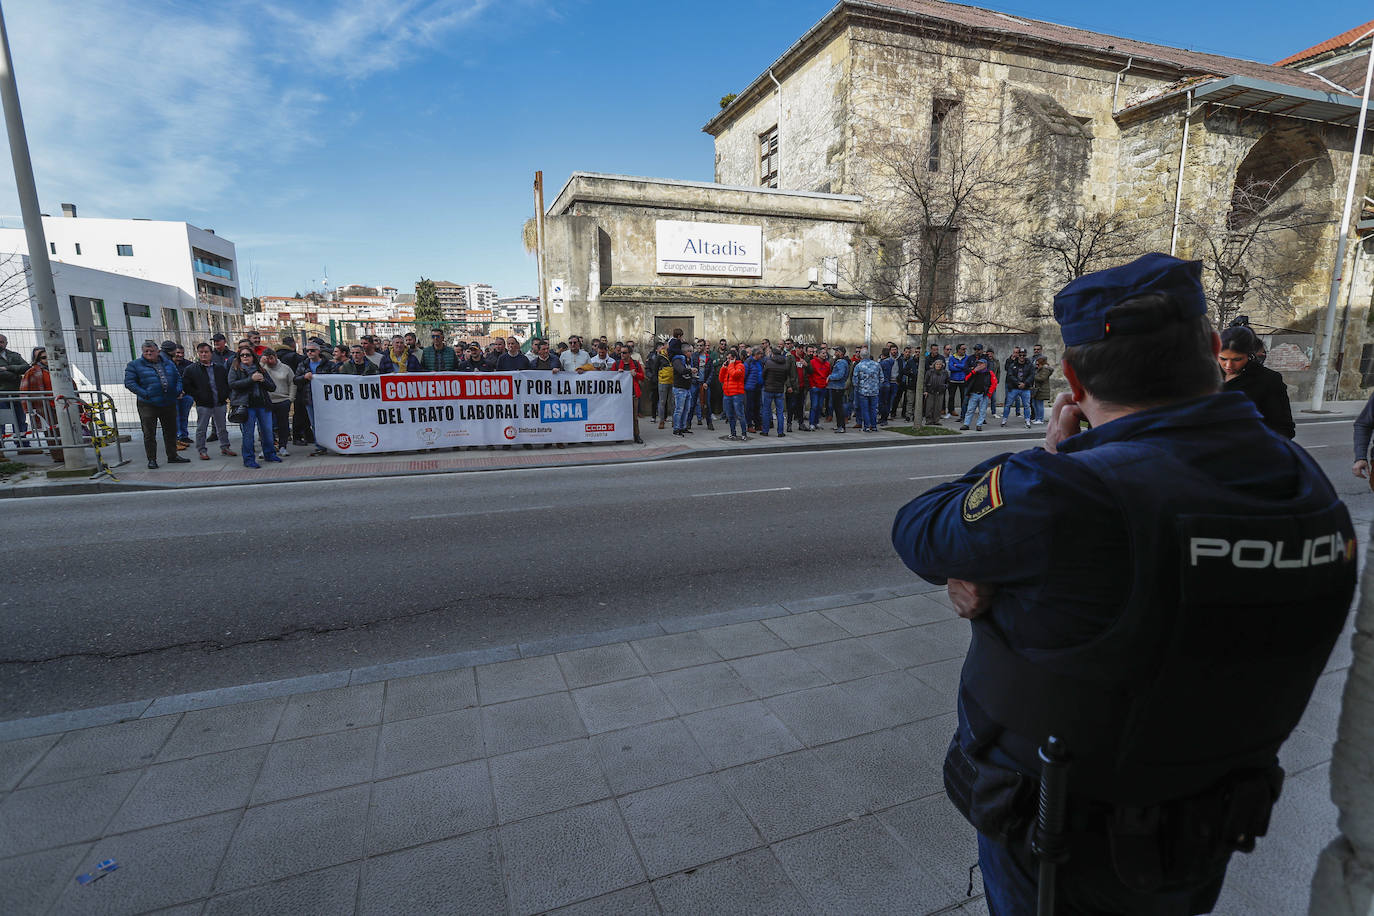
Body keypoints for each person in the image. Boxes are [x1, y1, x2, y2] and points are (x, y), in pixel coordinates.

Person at [892, 252, 1356, 916]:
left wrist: (1050, 457)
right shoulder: (1304, 485)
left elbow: (918, 529)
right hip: (1203, 826)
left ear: (1073, 381)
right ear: (1214, 350)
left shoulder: (1066, 493)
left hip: (1061, 840)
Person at [1219, 325, 1295, 439]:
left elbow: (1283, 428)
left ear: (1250, 355)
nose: (1228, 365)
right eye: (1223, 359)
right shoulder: (1205, 376)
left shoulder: (1268, 380)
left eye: (1237, 359)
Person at [124, 339, 190, 469]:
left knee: (171, 431)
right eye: (146, 351)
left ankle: (172, 456)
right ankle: (152, 459)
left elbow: (178, 378)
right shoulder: (134, 365)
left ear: (158, 351)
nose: (149, 353)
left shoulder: (168, 363)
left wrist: (176, 391)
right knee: (149, 433)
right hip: (147, 404)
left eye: (151, 351)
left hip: (169, 402)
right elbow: (130, 383)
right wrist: (146, 393)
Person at [181, 342, 235, 460]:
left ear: (211, 353)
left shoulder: (220, 368)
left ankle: (225, 447)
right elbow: (186, 385)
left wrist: (224, 395)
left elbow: (227, 383)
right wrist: (198, 395)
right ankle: (202, 450)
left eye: (206, 352)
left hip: (219, 402)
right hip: (203, 404)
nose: (204, 354)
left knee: (222, 428)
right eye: (201, 352)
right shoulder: (191, 369)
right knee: (202, 428)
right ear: (198, 354)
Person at [227, 348, 280, 468]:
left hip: (262, 404)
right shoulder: (235, 369)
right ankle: (249, 459)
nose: (245, 357)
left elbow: (272, 387)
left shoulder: (260, 369)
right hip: (246, 406)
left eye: (248, 355)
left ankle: (270, 454)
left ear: (253, 356)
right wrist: (251, 380)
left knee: (267, 432)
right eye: (242, 355)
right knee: (248, 434)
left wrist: (262, 380)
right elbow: (233, 385)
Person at [18, 347, 61, 462]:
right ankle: (58, 456)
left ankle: (70, 452)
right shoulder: (32, 372)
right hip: (45, 407)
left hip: (62, 405)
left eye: (49, 357)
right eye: (44, 357)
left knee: (65, 431)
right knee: (52, 433)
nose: (47, 360)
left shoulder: (58, 369)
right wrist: (28, 408)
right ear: (38, 359)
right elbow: (24, 390)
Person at [294, 342, 333, 456]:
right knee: (314, 424)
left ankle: (331, 443)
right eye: (307, 351)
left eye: (312, 350)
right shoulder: (303, 365)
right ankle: (320, 446)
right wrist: (304, 377)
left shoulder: (328, 364)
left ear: (318, 351)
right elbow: (295, 380)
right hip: (309, 398)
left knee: (330, 422)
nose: (309, 353)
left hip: (327, 400)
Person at [260, 348, 295, 456]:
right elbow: (254, 373)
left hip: (282, 400)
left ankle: (282, 446)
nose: (269, 361)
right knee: (266, 426)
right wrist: (262, 363)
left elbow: (292, 383)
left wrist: (290, 399)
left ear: (276, 357)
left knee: (283, 425)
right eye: (267, 359)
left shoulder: (285, 368)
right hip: (267, 400)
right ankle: (268, 447)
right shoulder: (262, 368)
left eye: (271, 358)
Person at [612, 344, 646, 444]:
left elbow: (643, 377)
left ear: (630, 353)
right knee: (620, 415)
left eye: (624, 352)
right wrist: (617, 373)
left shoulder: (635, 363)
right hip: (620, 395)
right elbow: (610, 377)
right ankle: (620, 435)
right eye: (621, 352)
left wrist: (636, 374)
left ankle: (636, 435)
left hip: (633, 394)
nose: (622, 354)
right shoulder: (617, 364)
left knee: (634, 417)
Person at [163, 341, 194, 449]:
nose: (180, 355)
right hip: (173, 396)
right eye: (177, 353)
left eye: (182, 352)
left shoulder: (189, 365)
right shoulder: (166, 364)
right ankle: (175, 439)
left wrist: (185, 392)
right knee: (174, 418)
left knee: (184, 417)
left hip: (186, 395)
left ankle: (183, 436)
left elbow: (191, 381)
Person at [759, 347, 793, 437]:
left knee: (766, 410)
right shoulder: (785, 363)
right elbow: (786, 377)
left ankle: (765, 431)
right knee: (780, 412)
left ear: (773, 354)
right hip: (779, 390)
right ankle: (780, 432)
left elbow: (763, 375)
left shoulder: (769, 363)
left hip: (768, 389)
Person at [718, 348, 748, 441]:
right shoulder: (728, 366)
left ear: (734, 358)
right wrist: (723, 367)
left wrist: (731, 365)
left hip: (737, 394)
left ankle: (744, 433)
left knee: (740, 414)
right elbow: (721, 379)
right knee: (730, 415)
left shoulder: (740, 366)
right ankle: (733, 433)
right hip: (727, 394)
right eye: (727, 358)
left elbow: (735, 375)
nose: (728, 360)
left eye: (730, 358)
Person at [1000, 349, 1034, 429]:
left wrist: (1025, 383)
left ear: (1026, 355)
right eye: (1020, 355)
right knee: (1008, 404)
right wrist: (1018, 383)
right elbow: (1010, 375)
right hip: (1014, 387)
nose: (1022, 357)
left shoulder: (1029, 365)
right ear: (1017, 355)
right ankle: (1004, 420)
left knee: (1026, 405)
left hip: (1025, 388)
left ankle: (1027, 421)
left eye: (1023, 355)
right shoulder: (1013, 364)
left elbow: (1032, 375)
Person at [669, 337, 695, 437]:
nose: (691, 353)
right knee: (679, 409)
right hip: (679, 388)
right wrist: (691, 370)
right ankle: (676, 429)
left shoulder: (689, 360)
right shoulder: (677, 360)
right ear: (685, 351)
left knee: (686, 409)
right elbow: (681, 370)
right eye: (690, 351)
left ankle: (683, 427)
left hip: (687, 387)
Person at [853, 347, 883, 432]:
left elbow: (855, 380)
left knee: (865, 409)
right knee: (873, 409)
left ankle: (866, 426)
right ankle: (873, 426)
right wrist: (877, 386)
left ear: (861, 356)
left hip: (863, 391)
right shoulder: (877, 364)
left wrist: (857, 388)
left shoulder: (858, 366)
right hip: (874, 391)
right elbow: (882, 378)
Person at [959, 358, 992, 431]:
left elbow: (994, 383)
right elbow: (966, 379)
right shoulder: (973, 372)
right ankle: (966, 424)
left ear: (985, 365)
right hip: (974, 394)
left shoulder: (989, 373)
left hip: (984, 394)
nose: (979, 365)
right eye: (978, 363)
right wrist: (973, 371)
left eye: (981, 364)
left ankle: (979, 425)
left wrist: (989, 393)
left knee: (982, 411)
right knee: (970, 410)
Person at [648, 342, 674, 429]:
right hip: (663, 382)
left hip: (673, 381)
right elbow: (655, 369)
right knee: (662, 402)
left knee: (672, 402)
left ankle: (675, 421)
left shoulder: (673, 355)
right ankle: (661, 421)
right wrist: (655, 379)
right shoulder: (659, 357)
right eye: (668, 345)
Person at [825, 345, 850, 432]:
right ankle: (839, 425)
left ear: (840, 353)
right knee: (837, 407)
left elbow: (840, 375)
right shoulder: (839, 361)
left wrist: (830, 377)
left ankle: (841, 427)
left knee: (839, 408)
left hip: (838, 387)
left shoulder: (842, 362)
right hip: (836, 387)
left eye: (836, 351)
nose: (835, 353)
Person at [808, 347, 831, 431]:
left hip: (823, 387)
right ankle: (811, 423)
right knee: (814, 405)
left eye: (825, 353)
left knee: (820, 406)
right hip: (815, 387)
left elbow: (829, 375)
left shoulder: (827, 364)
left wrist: (826, 383)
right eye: (823, 353)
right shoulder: (812, 362)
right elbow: (809, 375)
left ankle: (816, 422)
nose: (825, 355)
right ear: (818, 354)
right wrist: (812, 385)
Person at [743, 346, 765, 432]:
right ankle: (749, 425)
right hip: (750, 388)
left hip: (758, 387)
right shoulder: (748, 362)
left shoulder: (760, 362)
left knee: (757, 406)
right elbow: (744, 375)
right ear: (756, 354)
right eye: (760, 354)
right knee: (749, 407)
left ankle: (758, 424)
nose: (762, 355)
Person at [946, 344, 969, 418]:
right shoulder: (952, 357)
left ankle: (964, 412)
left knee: (964, 397)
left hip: (963, 380)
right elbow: (950, 367)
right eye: (963, 349)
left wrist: (957, 365)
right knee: (951, 397)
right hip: (953, 380)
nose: (965, 350)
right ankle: (950, 411)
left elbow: (966, 367)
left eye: (965, 349)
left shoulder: (967, 358)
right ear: (958, 349)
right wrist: (961, 367)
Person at [1028, 354, 1053, 425]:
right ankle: (1036, 418)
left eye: (1038, 363)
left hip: (1042, 389)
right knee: (1034, 403)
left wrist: (1034, 376)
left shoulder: (1045, 369)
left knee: (1039, 404)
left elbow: (1042, 378)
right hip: (1037, 389)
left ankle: (1040, 419)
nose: (1036, 364)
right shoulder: (1040, 368)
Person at [923, 357, 948, 426]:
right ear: (934, 365)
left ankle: (936, 420)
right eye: (937, 364)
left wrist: (945, 386)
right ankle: (929, 420)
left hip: (940, 392)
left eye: (940, 364)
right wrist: (925, 391)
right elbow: (925, 382)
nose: (938, 365)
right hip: (930, 391)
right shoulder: (929, 372)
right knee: (929, 407)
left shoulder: (945, 372)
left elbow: (947, 381)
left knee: (938, 407)